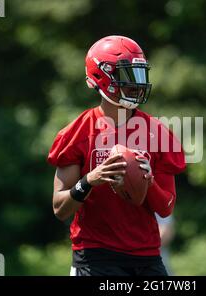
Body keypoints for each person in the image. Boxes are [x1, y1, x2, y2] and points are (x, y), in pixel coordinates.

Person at [47, 35, 186, 276]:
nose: (137, 84)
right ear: (102, 78)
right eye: (128, 75)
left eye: (140, 75)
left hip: (147, 257)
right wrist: (89, 180)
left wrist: (148, 182)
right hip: (95, 258)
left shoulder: (158, 133)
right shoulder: (77, 133)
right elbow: (60, 208)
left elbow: (166, 208)